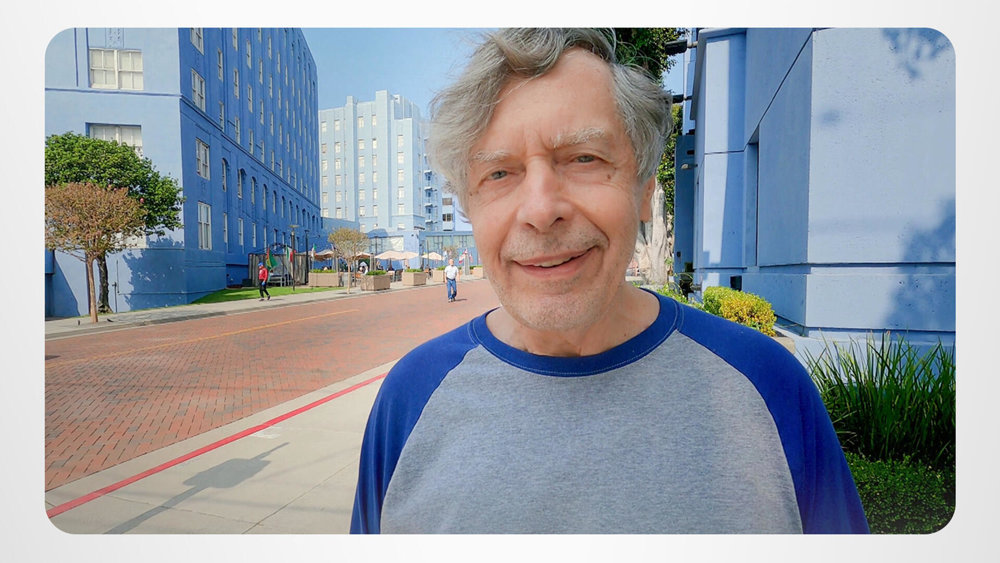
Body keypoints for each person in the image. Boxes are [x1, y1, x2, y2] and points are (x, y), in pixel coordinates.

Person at [351, 28, 868, 534]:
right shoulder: (411, 397)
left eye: (584, 159)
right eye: (499, 173)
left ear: (644, 188)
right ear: (469, 207)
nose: (541, 210)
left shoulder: (768, 386)